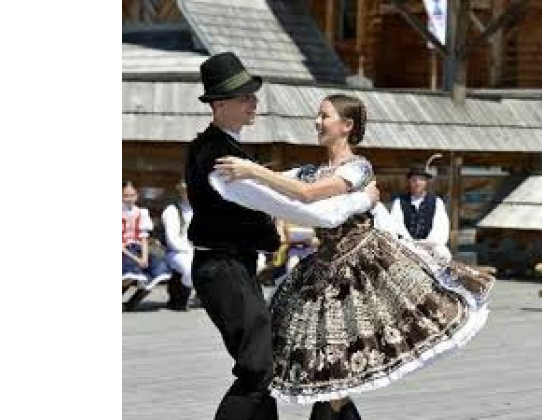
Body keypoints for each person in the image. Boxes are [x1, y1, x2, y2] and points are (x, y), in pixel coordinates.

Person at [213, 94, 495, 420]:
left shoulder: (359, 168)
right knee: (333, 379)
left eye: (324, 116)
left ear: (346, 126)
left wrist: (254, 171)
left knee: (338, 382)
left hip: (363, 273)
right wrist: (241, 176)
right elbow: (286, 185)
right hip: (322, 271)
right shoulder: (314, 170)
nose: (317, 122)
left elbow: (308, 194)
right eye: (318, 116)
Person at [184, 52, 380, 420]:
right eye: (245, 97)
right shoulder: (222, 161)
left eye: (252, 95)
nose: (254, 102)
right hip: (224, 268)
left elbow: (289, 186)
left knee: (286, 369)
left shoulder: (228, 153)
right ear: (220, 104)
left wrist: (258, 172)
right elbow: (302, 206)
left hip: (243, 267)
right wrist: (359, 201)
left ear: (347, 126)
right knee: (261, 368)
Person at [122, 180, 172, 311]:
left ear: (137, 195)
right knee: (129, 274)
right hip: (123, 250)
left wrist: (143, 257)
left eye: (132, 195)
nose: (129, 199)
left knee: (158, 269)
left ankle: (132, 302)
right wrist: (136, 259)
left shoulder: (141, 212)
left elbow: (143, 238)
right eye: (125, 195)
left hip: (137, 248)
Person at [389, 164, 452, 262]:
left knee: (444, 255)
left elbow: (441, 226)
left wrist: (427, 243)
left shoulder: (436, 201)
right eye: (414, 180)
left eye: (421, 179)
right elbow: (396, 226)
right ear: (409, 181)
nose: (417, 183)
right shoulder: (399, 201)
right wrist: (410, 243)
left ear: (426, 182)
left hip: (430, 246)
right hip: (407, 246)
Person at [161, 180, 194, 311]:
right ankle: (180, 297)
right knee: (190, 267)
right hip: (177, 252)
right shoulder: (172, 210)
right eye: (186, 190)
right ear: (181, 192)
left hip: (196, 250)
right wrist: (190, 250)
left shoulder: (201, 210)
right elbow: (172, 239)